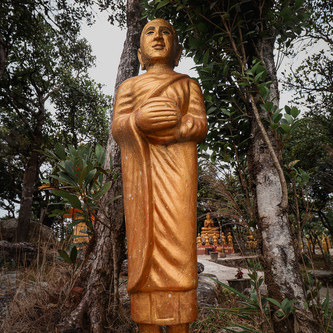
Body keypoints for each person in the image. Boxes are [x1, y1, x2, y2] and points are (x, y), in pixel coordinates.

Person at [112, 18, 208, 333]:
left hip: (178, 173)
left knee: (179, 242)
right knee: (145, 246)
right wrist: (138, 120)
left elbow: (199, 123)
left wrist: (179, 128)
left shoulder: (187, 84)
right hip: (143, 176)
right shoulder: (129, 87)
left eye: (166, 32)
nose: (157, 36)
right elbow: (118, 126)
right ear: (139, 53)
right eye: (150, 32)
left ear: (176, 50)